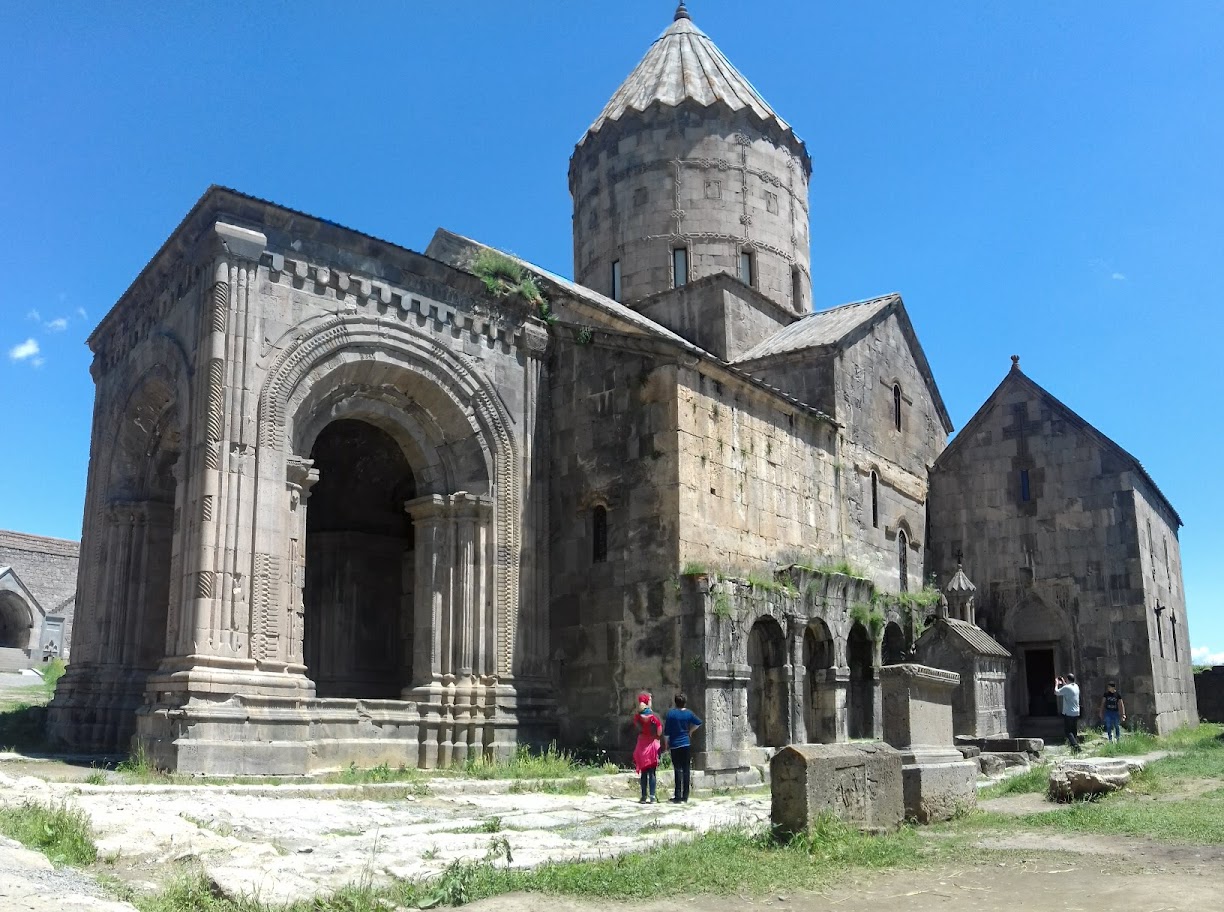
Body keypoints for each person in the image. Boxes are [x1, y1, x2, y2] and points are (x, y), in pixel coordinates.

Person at [663, 692, 703, 804]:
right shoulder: (689, 714)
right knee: (686, 769)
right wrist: (690, 731)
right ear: (685, 702)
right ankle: (685, 796)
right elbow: (698, 723)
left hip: (675, 744)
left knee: (678, 770)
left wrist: (666, 745)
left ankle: (677, 796)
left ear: (675, 702)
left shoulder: (671, 714)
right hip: (685, 743)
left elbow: (666, 732)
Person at [631, 691, 663, 803]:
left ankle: (643, 796)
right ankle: (652, 797)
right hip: (652, 745)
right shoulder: (654, 717)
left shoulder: (637, 717)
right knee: (652, 772)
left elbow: (636, 729)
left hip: (641, 745)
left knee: (644, 772)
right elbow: (659, 732)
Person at [1054, 673, 1081, 752]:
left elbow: (1056, 692)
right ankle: (1075, 746)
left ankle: (1075, 746)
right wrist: (1063, 682)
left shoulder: (1066, 688)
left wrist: (1056, 683)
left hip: (1069, 712)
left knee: (1068, 731)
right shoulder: (1076, 686)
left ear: (1068, 679)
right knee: (1074, 730)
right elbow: (1068, 688)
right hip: (1076, 712)